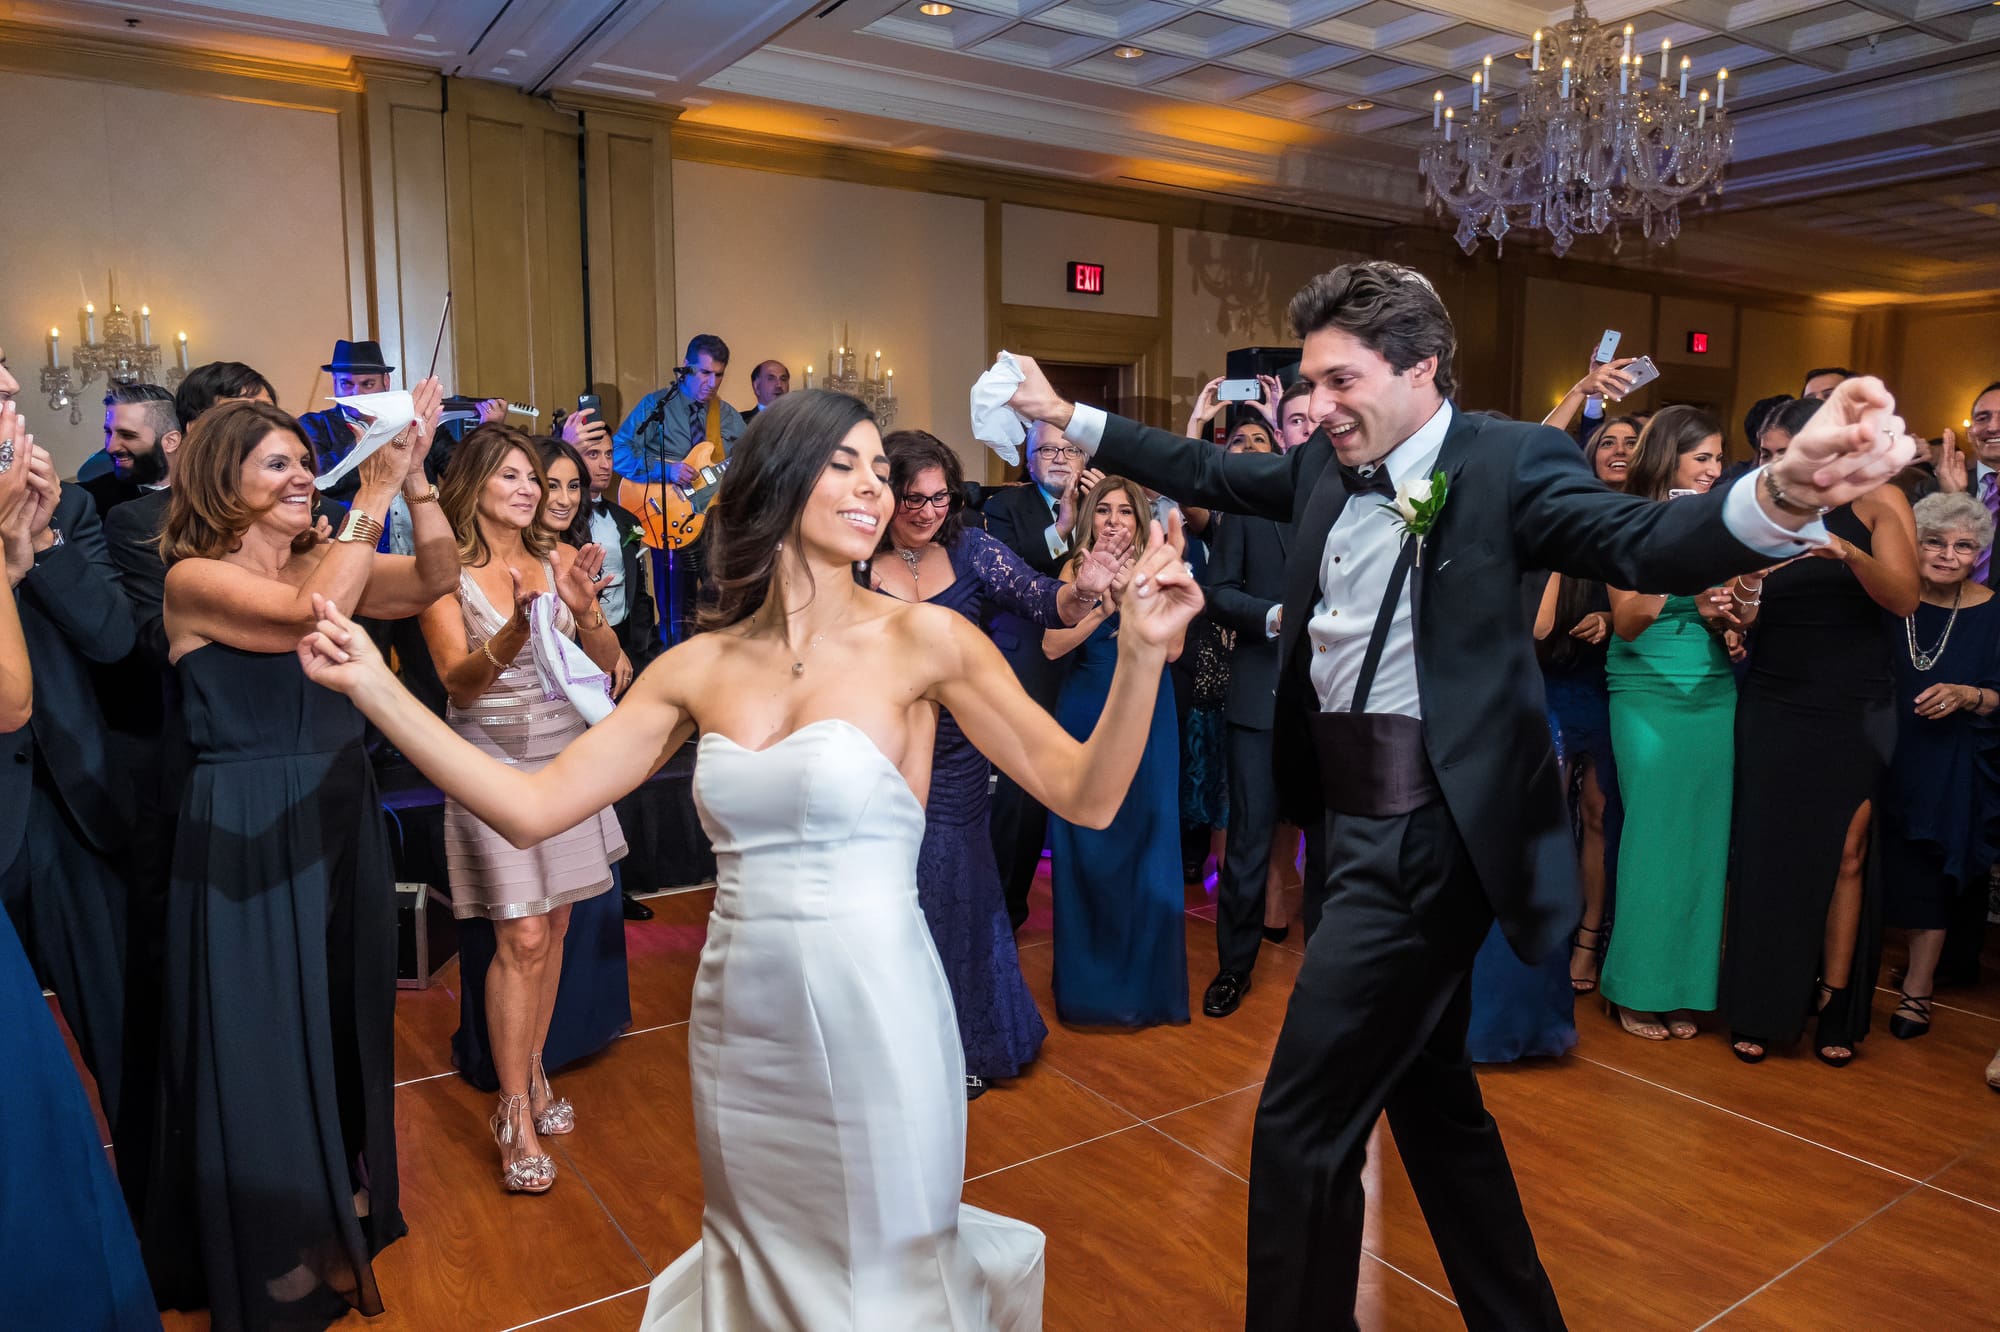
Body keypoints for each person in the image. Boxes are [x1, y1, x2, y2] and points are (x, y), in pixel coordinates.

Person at [998, 259, 1915, 1332]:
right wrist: (1068, 414)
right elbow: (1204, 465)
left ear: (1420, 369)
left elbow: (1640, 540)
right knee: (1430, 1098)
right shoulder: (1323, 471)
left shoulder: (1509, 459)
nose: (1316, 406)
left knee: (1298, 1124)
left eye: (1341, 383)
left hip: (1434, 828)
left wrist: (1778, 496)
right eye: (1311, 383)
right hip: (1347, 824)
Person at [294, 387, 1204, 1330]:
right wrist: (374, 687)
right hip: (740, 1021)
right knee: (763, 1257)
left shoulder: (927, 640)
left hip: (880, 1011)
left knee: (883, 1269)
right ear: (778, 482)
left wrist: (1139, 655)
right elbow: (531, 807)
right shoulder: (701, 666)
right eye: (843, 466)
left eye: (880, 473)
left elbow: (1087, 794)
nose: (873, 491)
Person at [143, 385, 454, 1330]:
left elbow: (437, 578)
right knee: (263, 1040)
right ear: (220, 483)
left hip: (336, 807)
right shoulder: (191, 578)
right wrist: (371, 495)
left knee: (341, 1017)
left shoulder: (332, 556)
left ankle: (345, 1212)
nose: (301, 476)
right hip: (245, 819)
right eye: (276, 463)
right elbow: (301, 619)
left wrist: (422, 475)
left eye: (302, 460)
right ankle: (271, 1252)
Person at [872, 428, 1122, 1093]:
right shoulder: (853, 564)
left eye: (939, 497)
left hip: (956, 753)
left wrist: (1087, 589)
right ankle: (888, 1048)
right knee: (883, 899)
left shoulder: (973, 548)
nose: (927, 511)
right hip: (875, 751)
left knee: (955, 890)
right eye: (911, 498)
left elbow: (1046, 601)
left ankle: (964, 1041)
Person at [418, 425, 626, 1191]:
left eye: (534, 478)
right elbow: (457, 682)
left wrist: (584, 608)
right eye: (511, 476)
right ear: (473, 482)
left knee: (560, 922)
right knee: (524, 932)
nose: (531, 490)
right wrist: (514, 630)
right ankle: (512, 1111)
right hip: (491, 765)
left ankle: (534, 1071)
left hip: (566, 757)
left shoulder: (559, 556)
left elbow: (604, 665)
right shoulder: (443, 572)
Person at [0, 398, 159, 1332]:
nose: (18, 415)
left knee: (120, 1041)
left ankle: (131, 1233)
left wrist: (44, 541)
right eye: (4, 400)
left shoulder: (78, 510)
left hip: (70, 815)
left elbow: (109, 640)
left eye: (17, 400)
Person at [1724, 396, 1918, 1066]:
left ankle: (1835, 1000)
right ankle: (1760, 1002)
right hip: (1775, 696)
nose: (1780, 462)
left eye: (1791, 448)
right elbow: (1742, 616)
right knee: (1768, 850)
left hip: (1855, 701)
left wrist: (1844, 553)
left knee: (1847, 853)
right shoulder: (1760, 506)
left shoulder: (1877, 501)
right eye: (1770, 452)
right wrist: (1742, 594)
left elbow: (1904, 597)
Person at [1599, 406, 1747, 1043]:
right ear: (1669, 458)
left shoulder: (1720, 521)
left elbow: (1734, 616)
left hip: (1713, 689)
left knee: (1704, 841)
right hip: (1645, 688)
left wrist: (1735, 611)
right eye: (1704, 458)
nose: (1716, 469)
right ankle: (1635, 986)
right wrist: (1681, 556)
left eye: (1719, 458)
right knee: (1653, 836)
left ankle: (1685, 987)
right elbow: (1628, 621)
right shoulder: (1626, 520)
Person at [1043, 476, 1188, 1028]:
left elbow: (1172, 649)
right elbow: (1052, 644)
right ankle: (1088, 991)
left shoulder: (1160, 566)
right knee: (1087, 845)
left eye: (1125, 512)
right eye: (1102, 510)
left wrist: (1135, 597)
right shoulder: (1074, 568)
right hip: (1085, 711)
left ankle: (1147, 992)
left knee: (1147, 844)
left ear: (1141, 518)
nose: (1113, 521)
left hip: (1149, 711)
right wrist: (1100, 606)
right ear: (1089, 518)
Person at [1878, 493, 2000, 1042]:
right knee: (1860, 863)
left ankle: (1918, 992)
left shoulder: (1994, 609)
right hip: (1876, 748)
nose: (1948, 555)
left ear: (1979, 554)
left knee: (1931, 870)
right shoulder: (1887, 597)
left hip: (1947, 759)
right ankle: (1839, 980)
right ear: (1913, 543)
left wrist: (1970, 694)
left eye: (1964, 546)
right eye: (1934, 541)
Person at [983, 421, 1100, 929]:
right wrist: (1065, 526)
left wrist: (1099, 511)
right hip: (1027, 661)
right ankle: (1005, 908)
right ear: (1027, 460)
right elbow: (1019, 575)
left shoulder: (1104, 502)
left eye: (1069, 448)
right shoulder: (1003, 508)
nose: (1058, 456)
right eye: (1046, 448)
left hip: (1095, 663)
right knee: (1022, 792)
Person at [1200, 408, 1295, 1018]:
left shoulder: (1354, 499)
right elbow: (1218, 594)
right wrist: (1270, 616)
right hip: (1260, 697)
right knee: (1248, 843)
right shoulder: (1245, 512)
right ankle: (1234, 969)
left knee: (1344, 843)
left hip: (1338, 700)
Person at [611, 333, 746, 644]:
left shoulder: (726, 416)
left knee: (721, 606)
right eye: (705, 372)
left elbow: (752, 459)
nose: (712, 383)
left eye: (719, 374)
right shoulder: (656, 406)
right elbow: (619, 451)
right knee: (675, 613)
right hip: (668, 519)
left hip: (713, 524)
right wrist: (665, 470)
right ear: (686, 368)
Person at [80, 382, 178, 518]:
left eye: (127, 435)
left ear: (170, 442)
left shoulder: (205, 491)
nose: (111, 447)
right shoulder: (88, 501)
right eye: (108, 433)